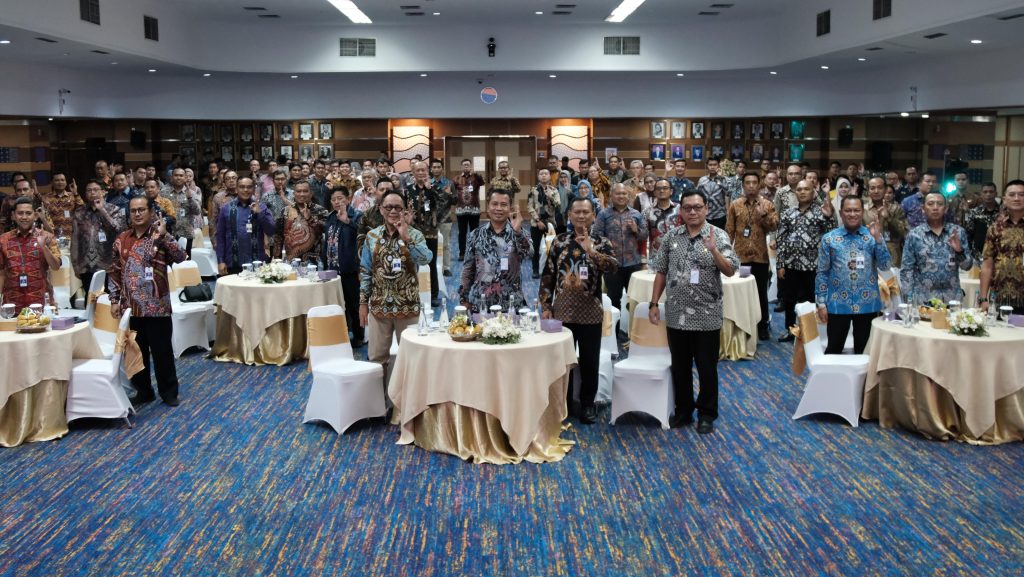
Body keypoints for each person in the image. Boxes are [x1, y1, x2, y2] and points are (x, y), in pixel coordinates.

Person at [648, 189, 739, 433]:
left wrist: (714, 250)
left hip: (706, 315)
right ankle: (684, 410)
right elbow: (661, 271)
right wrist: (654, 303)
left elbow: (730, 270)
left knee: (707, 368)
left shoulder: (718, 235)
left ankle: (707, 413)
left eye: (697, 207)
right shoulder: (671, 236)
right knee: (680, 366)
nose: (692, 212)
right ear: (681, 210)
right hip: (676, 314)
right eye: (687, 207)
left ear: (706, 209)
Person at [539, 197, 618, 424]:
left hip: (591, 312)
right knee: (562, 362)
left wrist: (592, 252)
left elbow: (613, 268)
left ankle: (587, 404)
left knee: (589, 362)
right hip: (562, 313)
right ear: (569, 215)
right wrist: (546, 305)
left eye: (586, 212)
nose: (581, 216)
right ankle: (562, 403)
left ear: (593, 215)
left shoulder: (601, 242)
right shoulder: (559, 242)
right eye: (577, 212)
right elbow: (548, 275)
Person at [108, 195, 187, 407]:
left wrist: (165, 236)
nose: (137, 214)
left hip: (157, 307)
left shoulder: (160, 235)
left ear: (151, 212)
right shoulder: (121, 239)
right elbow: (114, 271)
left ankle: (169, 392)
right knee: (136, 351)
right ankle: (143, 391)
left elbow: (181, 257)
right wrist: (114, 299)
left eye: (141, 209)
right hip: (130, 307)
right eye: (133, 210)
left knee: (162, 352)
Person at [359, 190, 433, 385]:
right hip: (379, 307)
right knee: (377, 359)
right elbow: (365, 271)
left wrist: (406, 237)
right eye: (388, 207)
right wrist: (363, 303)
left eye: (398, 208)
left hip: (407, 306)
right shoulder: (372, 236)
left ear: (405, 210)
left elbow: (426, 259)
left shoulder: (414, 234)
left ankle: (408, 401)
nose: (393, 211)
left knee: (412, 358)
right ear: (380, 209)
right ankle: (378, 401)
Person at [815, 196, 891, 355]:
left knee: (865, 352)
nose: (852, 214)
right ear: (841, 212)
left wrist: (878, 240)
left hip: (867, 303)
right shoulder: (829, 239)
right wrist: (821, 303)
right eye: (848, 210)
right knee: (834, 349)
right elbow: (822, 272)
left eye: (856, 210)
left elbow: (885, 266)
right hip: (837, 303)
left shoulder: (872, 236)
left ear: (862, 212)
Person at [776, 179, 835, 342]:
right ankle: (790, 330)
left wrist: (829, 217)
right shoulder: (788, 213)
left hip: (813, 266)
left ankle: (809, 331)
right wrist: (780, 264)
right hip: (791, 264)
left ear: (813, 192)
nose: (802, 192)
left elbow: (831, 234)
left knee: (810, 300)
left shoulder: (821, 212)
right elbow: (781, 239)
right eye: (799, 189)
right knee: (789, 300)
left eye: (806, 189)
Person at [458, 189, 532, 312]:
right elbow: (468, 269)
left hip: (511, 304)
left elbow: (530, 254)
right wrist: (463, 298)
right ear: (488, 207)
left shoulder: (520, 233)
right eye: (494, 204)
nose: (498, 208)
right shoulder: (475, 235)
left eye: (503, 205)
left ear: (510, 208)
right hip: (481, 304)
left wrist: (518, 233)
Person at [725, 172, 779, 340]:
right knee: (742, 292)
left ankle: (762, 325)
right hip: (742, 258)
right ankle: (743, 324)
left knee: (761, 292)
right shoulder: (735, 205)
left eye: (754, 182)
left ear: (759, 184)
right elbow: (729, 230)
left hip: (760, 257)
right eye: (747, 182)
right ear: (743, 185)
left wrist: (764, 215)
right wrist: (726, 253)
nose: (751, 186)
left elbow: (774, 226)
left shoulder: (767, 204)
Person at [592, 182, 647, 333]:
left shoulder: (636, 214)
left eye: (624, 194)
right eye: (618, 193)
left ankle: (633, 333)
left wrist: (636, 230)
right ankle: (614, 334)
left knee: (634, 300)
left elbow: (644, 236)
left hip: (633, 264)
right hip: (612, 265)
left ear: (628, 196)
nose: (621, 196)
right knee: (613, 298)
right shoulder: (604, 214)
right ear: (611, 196)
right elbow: (596, 236)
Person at [900, 192, 972, 305]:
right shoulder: (914, 235)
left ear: (946, 209)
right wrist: (908, 299)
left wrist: (959, 251)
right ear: (923, 209)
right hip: (923, 300)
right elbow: (906, 270)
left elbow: (967, 266)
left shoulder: (957, 232)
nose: (935, 207)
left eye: (939, 204)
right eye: (930, 204)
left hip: (952, 299)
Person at [0, 196, 61, 310]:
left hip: (41, 302)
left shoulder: (47, 236)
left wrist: (44, 247)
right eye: (20, 213)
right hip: (11, 304)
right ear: (13, 216)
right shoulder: (3, 240)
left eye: (28, 213)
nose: (24, 217)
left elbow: (56, 266)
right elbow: (1, 273)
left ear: (35, 215)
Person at [322, 186, 364, 347]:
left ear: (348, 198)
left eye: (340, 198)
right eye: (333, 199)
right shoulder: (330, 217)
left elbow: (362, 235)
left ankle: (359, 336)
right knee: (337, 303)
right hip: (332, 269)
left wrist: (347, 221)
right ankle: (342, 334)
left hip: (350, 268)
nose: (337, 202)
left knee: (354, 303)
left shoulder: (357, 215)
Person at [406, 161, 452, 308]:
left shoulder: (434, 188)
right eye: (417, 170)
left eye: (423, 170)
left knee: (431, 263)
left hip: (430, 231)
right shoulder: (408, 190)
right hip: (412, 231)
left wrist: (431, 189)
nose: (421, 173)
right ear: (413, 172)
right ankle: (412, 294)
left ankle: (433, 295)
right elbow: (403, 208)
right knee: (411, 263)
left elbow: (446, 201)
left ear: (428, 172)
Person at [71, 180, 124, 303]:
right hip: (86, 264)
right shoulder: (79, 212)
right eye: (89, 190)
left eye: (95, 190)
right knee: (90, 299)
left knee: (108, 300)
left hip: (109, 263)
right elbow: (75, 240)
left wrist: (102, 210)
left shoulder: (114, 209)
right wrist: (75, 265)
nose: (92, 193)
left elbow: (119, 230)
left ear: (103, 192)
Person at [979, 180, 1024, 315]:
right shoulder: (995, 228)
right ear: (1004, 199)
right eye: (1012, 194)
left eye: (1021, 195)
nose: (1016, 198)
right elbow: (987, 265)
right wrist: (983, 298)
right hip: (999, 297)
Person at [215, 177, 275, 275]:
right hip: (233, 262)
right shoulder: (226, 209)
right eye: (242, 187)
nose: (245, 190)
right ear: (237, 189)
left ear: (253, 189)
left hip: (256, 263)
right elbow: (220, 237)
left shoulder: (261, 207)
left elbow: (271, 231)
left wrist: (260, 214)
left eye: (249, 187)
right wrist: (220, 260)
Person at [862, 177, 908, 268]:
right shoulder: (863, 210)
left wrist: (889, 218)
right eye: (872, 188)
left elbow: (904, 232)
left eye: (880, 188)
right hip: (868, 254)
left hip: (892, 256)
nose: (876, 191)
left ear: (885, 189)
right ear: (868, 190)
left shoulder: (896, 209)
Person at [280, 181, 328, 262]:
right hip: (290, 260)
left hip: (313, 260)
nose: (302, 194)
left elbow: (326, 231)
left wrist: (309, 219)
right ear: (294, 194)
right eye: (298, 191)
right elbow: (279, 236)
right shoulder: (286, 211)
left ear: (311, 193)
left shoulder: (320, 211)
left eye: (305, 191)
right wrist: (277, 259)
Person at [529, 168, 563, 278]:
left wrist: (550, 196)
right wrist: (537, 220)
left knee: (551, 248)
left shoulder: (554, 190)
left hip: (550, 223)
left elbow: (558, 205)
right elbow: (530, 207)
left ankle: (550, 269)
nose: (543, 175)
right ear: (538, 176)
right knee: (535, 248)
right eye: (541, 174)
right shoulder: (533, 190)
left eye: (546, 173)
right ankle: (535, 269)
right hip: (536, 223)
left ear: (549, 176)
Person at [452, 158, 485, 261]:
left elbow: (483, 182)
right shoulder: (456, 179)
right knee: (462, 233)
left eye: (468, 165)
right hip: (461, 210)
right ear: (461, 167)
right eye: (464, 165)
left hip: (474, 210)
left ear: (471, 166)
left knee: (474, 232)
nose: (466, 166)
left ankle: (475, 252)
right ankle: (462, 253)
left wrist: (477, 174)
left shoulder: (476, 177)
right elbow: (452, 191)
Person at [165, 168, 201, 257]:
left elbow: (197, 211)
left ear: (185, 178)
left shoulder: (192, 193)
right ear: (171, 178)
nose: (178, 178)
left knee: (186, 261)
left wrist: (190, 199)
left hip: (186, 233)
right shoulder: (164, 192)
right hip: (169, 234)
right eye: (176, 175)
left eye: (181, 176)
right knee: (169, 260)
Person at [963, 182, 1001, 262]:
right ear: (981, 194)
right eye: (985, 192)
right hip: (978, 255)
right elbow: (969, 234)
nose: (988, 194)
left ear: (996, 194)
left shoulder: (1003, 213)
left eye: (991, 192)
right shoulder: (974, 212)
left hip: (999, 255)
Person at [429, 158, 455, 277]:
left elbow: (455, 201)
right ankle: (433, 267)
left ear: (442, 169)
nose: (436, 169)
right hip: (430, 220)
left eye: (438, 167)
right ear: (431, 169)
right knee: (431, 244)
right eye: (434, 167)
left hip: (445, 218)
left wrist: (450, 194)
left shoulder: (449, 183)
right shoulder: (428, 184)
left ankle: (446, 267)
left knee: (445, 244)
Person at [642, 178, 679, 254]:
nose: (661, 191)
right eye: (658, 188)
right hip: (656, 255)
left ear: (671, 191)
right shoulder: (647, 212)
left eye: (665, 188)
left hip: (678, 254)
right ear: (654, 192)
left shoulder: (680, 209)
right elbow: (643, 236)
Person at [45, 171, 83, 239]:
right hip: (54, 236)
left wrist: (75, 193)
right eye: (57, 180)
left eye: (62, 180)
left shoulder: (72, 195)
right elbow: (45, 217)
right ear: (52, 183)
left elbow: (82, 209)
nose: (60, 182)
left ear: (66, 182)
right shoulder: (47, 198)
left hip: (71, 235)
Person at [208, 170, 239, 251]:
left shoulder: (245, 195)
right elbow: (213, 220)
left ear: (238, 180)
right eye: (228, 178)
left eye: (234, 178)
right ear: (224, 182)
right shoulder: (218, 197)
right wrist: (214, 241)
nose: (231, 180)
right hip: (224, 238)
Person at [697, 158, 729, 229]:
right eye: (710, 165)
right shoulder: (702, 180)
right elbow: (698, 196)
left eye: (715, 165)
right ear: (707, 166)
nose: (712, 167)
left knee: (719, 235)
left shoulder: (724, 179)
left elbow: (728, 193)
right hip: (705, 215)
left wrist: (720, 178)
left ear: (718, 166)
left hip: (720, 215)